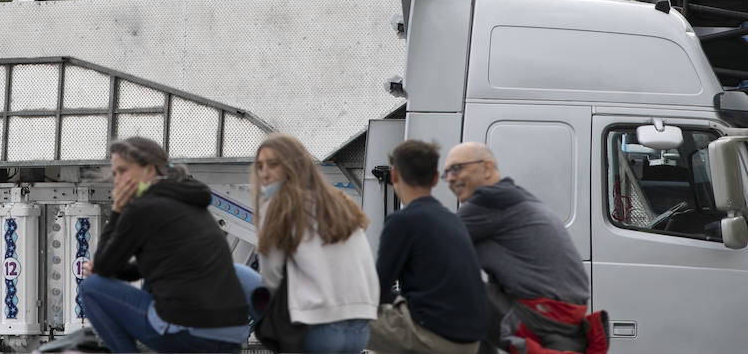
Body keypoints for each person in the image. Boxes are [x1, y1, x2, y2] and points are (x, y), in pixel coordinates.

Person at [78, 136, 249, 353]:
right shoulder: (188, 201)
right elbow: (153, 267)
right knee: (154, 285)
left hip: (190, 331)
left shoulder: (142, 208)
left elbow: (104, 266)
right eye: (115, 174)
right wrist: (112, 269)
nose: (117, 180)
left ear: (149, 171)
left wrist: (118, 210)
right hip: (231, 332)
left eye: (122, 171)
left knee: (92, 287)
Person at [444, 142, 602, 352]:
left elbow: (435, 243)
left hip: (545, 315)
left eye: (456, 168)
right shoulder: (516, 197)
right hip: (564, 314)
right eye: (446, 173)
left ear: (487, 168)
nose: (450, 178)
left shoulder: (490, 200)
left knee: (452, 286)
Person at [251, 133, 376, 353]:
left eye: (273, 164)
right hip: (359, 325)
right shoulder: (340, 204)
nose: (265, 173)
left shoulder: (278, 205)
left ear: (293, 166)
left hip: (317, 324)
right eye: (260, 166)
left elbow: (272, 276)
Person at [370, 140, 488, 354]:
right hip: (471, 341)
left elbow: (375, 292)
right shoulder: (453, 220)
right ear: (435, 178)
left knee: (344, 317)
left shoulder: (401, 222)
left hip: (436, 337)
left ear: (394, 175)